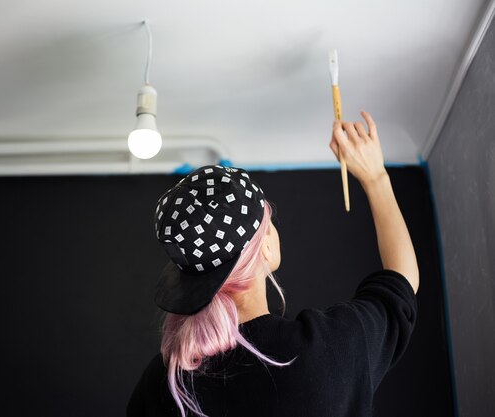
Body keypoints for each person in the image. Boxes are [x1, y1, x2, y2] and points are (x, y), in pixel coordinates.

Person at [127, 111, 419, 417]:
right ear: (265, 245)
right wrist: (376, 178)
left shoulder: (164, 384)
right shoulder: (331, 349)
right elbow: (402, 282)